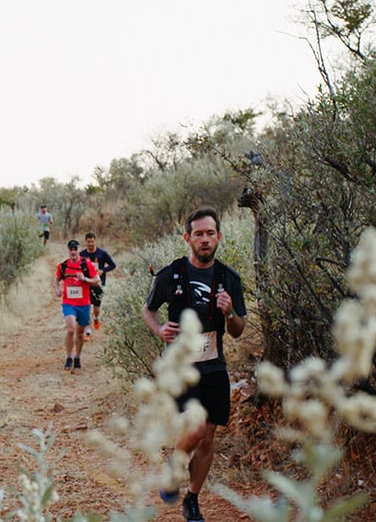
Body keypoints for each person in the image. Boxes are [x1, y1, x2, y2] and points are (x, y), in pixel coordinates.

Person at [142, 206, 246, 522]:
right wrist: (159, 329)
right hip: (180, 368)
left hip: (214, 366)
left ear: (219, 237)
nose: (204, 239)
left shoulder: (229, 279)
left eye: (210, 233)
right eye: (198, 234)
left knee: (208, 439)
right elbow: (148, 309)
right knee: (196, 426)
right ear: (188, 238)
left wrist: (229, 313)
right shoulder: (170, 274)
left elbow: (239, 331)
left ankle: (192, 499)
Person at [55, 239, 99, 372]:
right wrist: (57, 289)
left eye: (75, 249)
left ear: (79, 250)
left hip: (84, 304)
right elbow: (57, 280)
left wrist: (85, 279)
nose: (73, 252)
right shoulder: (62, 266)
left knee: (80, 334)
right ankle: (68, 357)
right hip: (68, 303)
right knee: (70, 329)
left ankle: (77, 358)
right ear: (68, 250)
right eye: (71, 249)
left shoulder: (87, 264)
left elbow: (97, 280)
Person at [79, 231, 117, 340]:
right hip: (86, 283)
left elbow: (113, 265)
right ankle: (88, 331)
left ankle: (96, 318)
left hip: (98, 284)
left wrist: (102, 270)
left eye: (92, 241)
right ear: (86, 242)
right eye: (88, 242)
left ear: (95, 241)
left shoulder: (102, 253)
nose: (90, 243)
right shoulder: (82, 254)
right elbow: (78, 266)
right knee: (86, 307)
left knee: (96, 307)